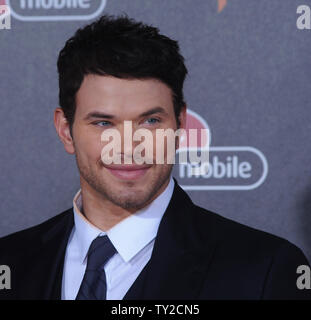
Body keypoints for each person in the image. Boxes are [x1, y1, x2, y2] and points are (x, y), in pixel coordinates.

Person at [0, 15, 310, 300]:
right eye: (104, 123)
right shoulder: (11, 263)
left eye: (150, 121)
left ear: (180, 125)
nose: (129, 146)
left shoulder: (264, 272)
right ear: (66, 131)